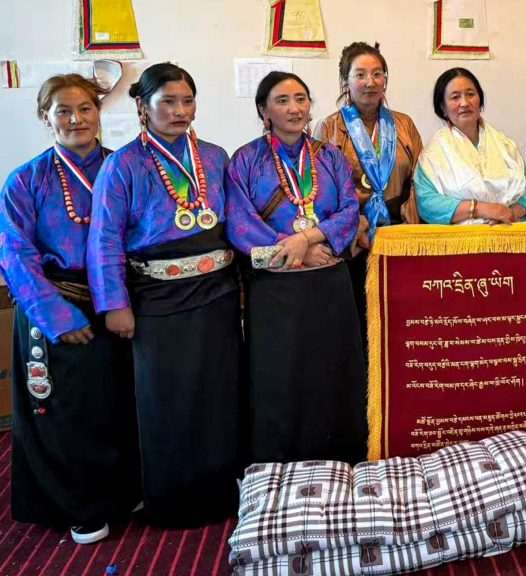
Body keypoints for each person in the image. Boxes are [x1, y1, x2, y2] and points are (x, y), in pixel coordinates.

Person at [87, 63, 242, 528]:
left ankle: (223, 494)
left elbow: (234, 226)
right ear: (142, 106)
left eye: (187, 101)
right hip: (156, 300)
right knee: (165, 400)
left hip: (216, 293)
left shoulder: (215, 156)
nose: (180, 111)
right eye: (168, 102)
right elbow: (105, 239)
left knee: (220, 396)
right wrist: (114, 304)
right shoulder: (122, 165)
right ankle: (174, 503)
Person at [0, 74, 140, 545]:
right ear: (46, 117)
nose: (76, 119)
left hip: (118, 301)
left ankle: (123, 493)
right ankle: (77, 506)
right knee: (66, 412)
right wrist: (58, 317)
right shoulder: (26, 179)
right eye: (63, 110)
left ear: (99, 111)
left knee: (120, 404)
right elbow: (14, 254)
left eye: (85, 108)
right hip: (57, 306)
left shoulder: (126, 166)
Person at [226, 72, 366, 464]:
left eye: (301, 99)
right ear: (263, 110)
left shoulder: (330, 155)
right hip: (275, 289)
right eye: (283, 100)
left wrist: (309, 238)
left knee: (332, 373)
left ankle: (340, 457)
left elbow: (349, 211)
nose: (295, 108)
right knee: (281, 378)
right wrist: (298, 252)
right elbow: (239, 222)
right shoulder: (245, 160)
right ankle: (280, 462)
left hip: (329, 283)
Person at [315, 41, 423, 337]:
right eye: (360, 74)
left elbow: (419, 181)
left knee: (397, 321)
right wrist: (357, 229)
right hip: (351, 238)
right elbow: (324, 190)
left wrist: (404, 230)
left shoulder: (404, 125)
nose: (370, 82)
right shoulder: (330, 128)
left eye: (378, 74)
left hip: (397, 233)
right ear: (345, 81)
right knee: (357, 323)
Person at [415, 68, 526, 224]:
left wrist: (509, 214)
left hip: (508, 234)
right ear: (443, 108)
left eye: (470, 94)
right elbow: (427, 203)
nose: (464, 103)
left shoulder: (504, 145)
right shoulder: (433, 154)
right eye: (455, 97)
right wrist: (481, 209)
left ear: (480, 101)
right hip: (460, 243)